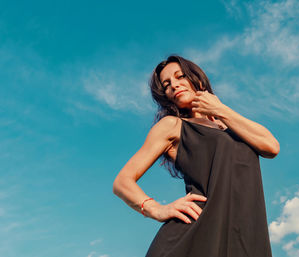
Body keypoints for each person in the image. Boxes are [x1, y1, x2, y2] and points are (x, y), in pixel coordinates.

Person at [113, 55, 280, 257]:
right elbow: (122, 182)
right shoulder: (172, 126)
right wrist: (156, 209)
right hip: (193, 236)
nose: (174, 85)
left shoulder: (231, 125)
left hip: (243, 235)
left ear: (198, 80)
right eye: (167, 85)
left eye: (180, 76)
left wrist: (220, 110)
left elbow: (271, 147)